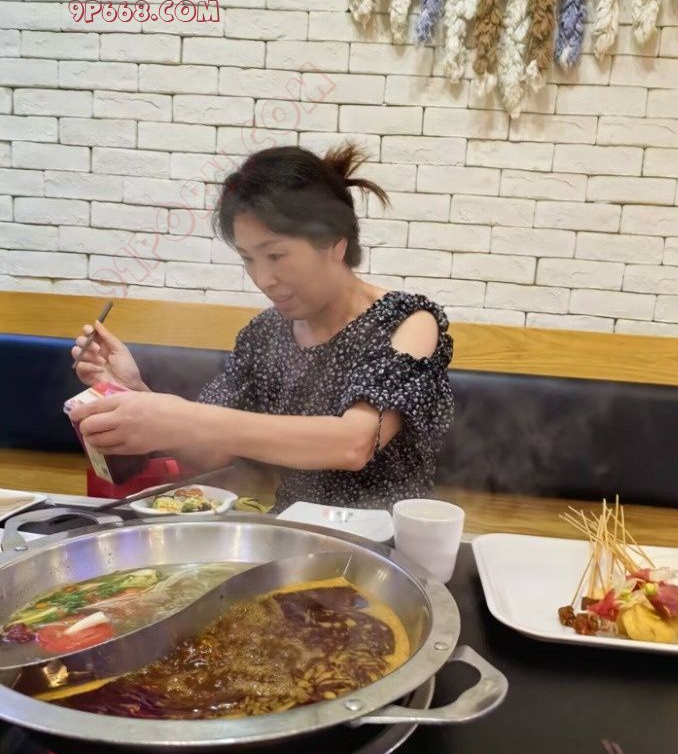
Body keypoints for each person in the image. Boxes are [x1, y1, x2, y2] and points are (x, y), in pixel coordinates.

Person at [70, 143, 455, 512]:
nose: (263, 279)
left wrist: (180, 417)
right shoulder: (265, 334)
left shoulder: (406, 321)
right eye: (248, 259)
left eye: (275, 255)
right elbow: (211, 453)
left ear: (335, 243)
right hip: (294, 531)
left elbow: (355, 443)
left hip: (385, 539)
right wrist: (136, 394)